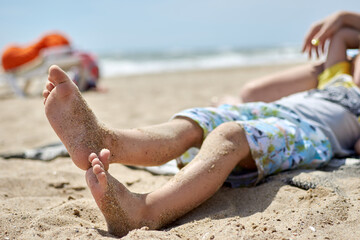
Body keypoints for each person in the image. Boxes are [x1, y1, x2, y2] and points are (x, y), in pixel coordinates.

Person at [42, 16, 360, 238]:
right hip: (275, 109)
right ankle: (104, 139)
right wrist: (346, 16)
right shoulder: (338, 76)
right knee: (197, 121)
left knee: (230, 136)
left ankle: (146, 210)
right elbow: (341, 36)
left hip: (313, 134)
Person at [213, 11, 360, 105]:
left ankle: (229, 107)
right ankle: (229, 106)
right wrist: (344, 18)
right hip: (344, 71)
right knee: (251, 93)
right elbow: (343, 35)